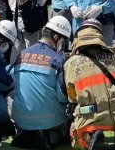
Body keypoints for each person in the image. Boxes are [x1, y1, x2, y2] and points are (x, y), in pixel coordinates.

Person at [64, 19, 115, 150]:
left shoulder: (71, 63)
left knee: (75, 136)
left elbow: (71, 96)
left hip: (90, 114)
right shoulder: (113, 57)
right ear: (100, 35)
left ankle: (90, 137)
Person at [11, 16, 72, 150]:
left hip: (20, 119)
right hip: (50, 120)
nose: (63, 44)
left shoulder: (21, 54)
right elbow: (62, 96)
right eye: (64, 40)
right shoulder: (57, 60)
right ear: (56, 37)